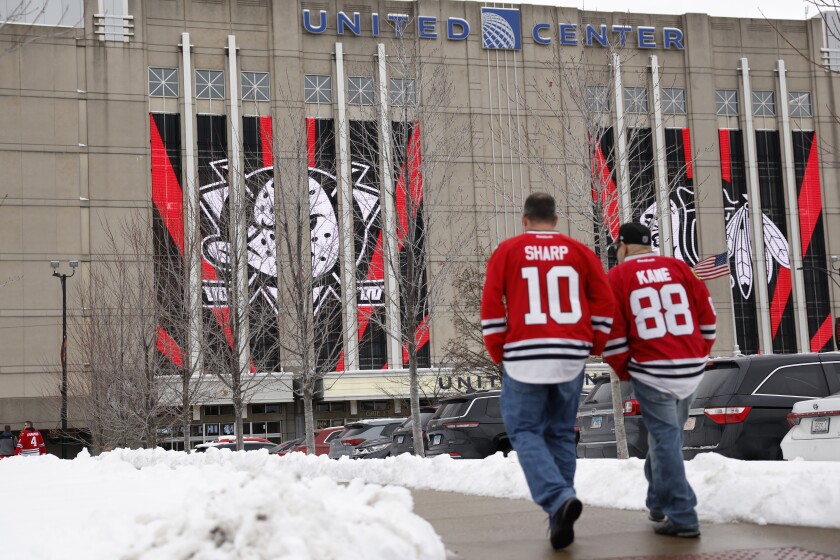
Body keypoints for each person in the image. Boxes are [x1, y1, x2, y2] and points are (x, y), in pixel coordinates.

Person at [481, 193, 614, 550]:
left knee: (524, 430)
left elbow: (492, 303)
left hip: (525, 353)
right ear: (555, 220)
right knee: (559, 434)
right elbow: (604, 301)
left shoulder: (507, 252)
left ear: (524, 219)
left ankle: (557, 498)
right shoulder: (580, 252)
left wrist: (498, 349)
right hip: (570, 353)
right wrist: (596, 343)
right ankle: (560, 514)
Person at [603, 223, 716, 538]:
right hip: (691, 365)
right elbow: (707, 315)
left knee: (665, 441)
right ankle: (657, 501)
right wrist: (698, 352)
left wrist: (627, 370)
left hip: (653, 368)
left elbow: (612, 336)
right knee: (667, 438)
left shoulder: (618, 277)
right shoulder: (679, 267)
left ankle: (683, 514)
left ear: (622, 247)